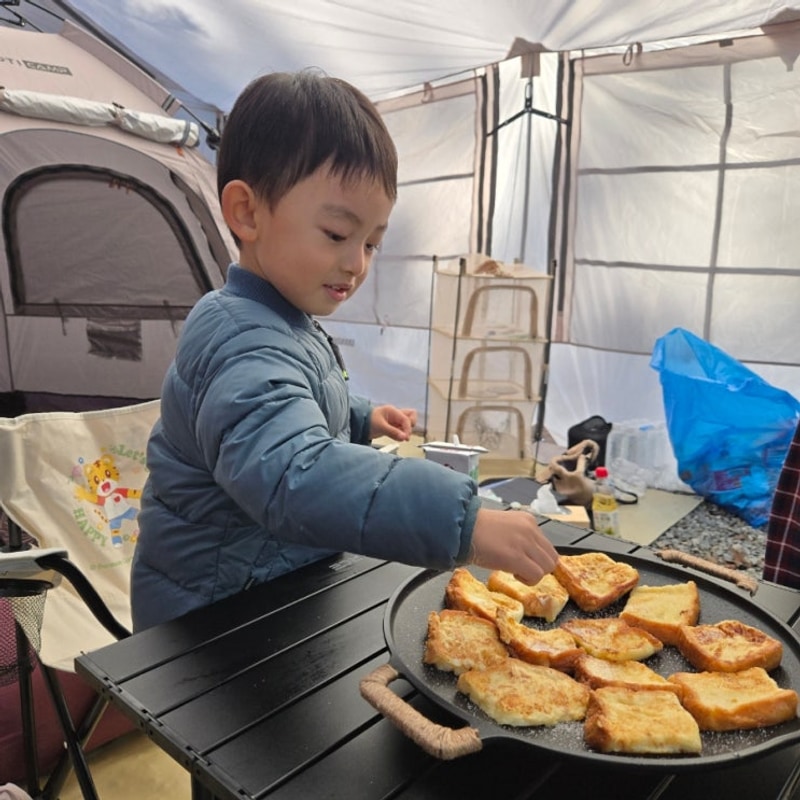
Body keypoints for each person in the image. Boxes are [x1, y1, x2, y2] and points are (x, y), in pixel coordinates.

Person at [130, 70, 558, 630]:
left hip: (271, 593)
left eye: (373, 243)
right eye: (337, 234)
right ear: (247, 213)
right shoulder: (236, 334)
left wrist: (361, 415)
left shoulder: (286, 320)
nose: (357, 263)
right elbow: (290, 474)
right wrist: (464, 520)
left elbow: (291, 406)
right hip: (208, 625)